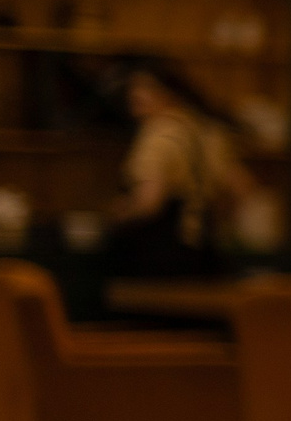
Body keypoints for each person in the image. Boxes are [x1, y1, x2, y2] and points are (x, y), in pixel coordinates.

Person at [106, 63, 247, 277]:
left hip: (157, 253)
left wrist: (121, 213)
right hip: (203, 253)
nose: (136, 94)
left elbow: (149, 202)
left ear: (170, 93)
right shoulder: (206, 131)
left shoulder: (158, 135)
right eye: (133, 87)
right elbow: (241, 188)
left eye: (148, 88)